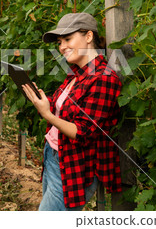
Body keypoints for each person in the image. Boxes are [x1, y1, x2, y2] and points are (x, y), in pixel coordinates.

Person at [22, 12, 122, 211]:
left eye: (68, 39)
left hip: (74, 168)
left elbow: (83, 132)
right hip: (53, 156)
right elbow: (67, 112)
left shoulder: (104, 78)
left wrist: (47, 115)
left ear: (88, 36)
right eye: (59, 42)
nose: (62, 47)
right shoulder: (76, 74)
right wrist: (42, 100)